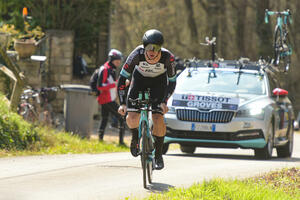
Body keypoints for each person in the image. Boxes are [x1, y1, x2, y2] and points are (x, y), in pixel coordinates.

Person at [117, 29, 177, 170]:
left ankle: (158, 155)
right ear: (144, 47)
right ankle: (134, 138)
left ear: (160, 49)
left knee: (158, 118)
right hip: (139, 82)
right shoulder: (136, 55)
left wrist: (165, 101)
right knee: (131, 117)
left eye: (156, 48)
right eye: (149, 47)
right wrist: (122, 103)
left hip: (159, 84)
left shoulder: (168, 58)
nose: (152, 51)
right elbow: (122, 78)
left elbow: (172, 81)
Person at [94, 49, 126, 145]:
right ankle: (121, 142)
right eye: (117, 61)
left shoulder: (111, 69)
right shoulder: (105, 69)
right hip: (106, 99)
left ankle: (100, 140)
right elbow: (99, 86)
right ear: (112, 60)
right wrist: (114, 84)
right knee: (121, 116)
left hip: (108, 98)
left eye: (119, 62)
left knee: (104, 118)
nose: (118, 63)